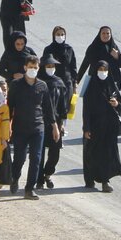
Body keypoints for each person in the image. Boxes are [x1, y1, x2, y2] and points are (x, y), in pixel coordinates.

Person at [7, 57, 59, 199]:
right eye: (31, 67)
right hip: (20, 128)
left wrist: (55, 126)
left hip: (38, 127)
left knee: (36, 158)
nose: (33, 70)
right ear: (25, 67)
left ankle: (29, 189)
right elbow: (10, 106)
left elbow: (48, 108)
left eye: (36, 68)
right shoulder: (16, 84)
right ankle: (15, 177)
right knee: (19, 158)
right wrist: (7, 125)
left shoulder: (42, 85)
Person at [82, 60, 121, 192]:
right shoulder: (91, 87)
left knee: (107, 154)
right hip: (94, 127)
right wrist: (87, 128)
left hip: (109, 127)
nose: (103, 72)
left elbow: (120, 104)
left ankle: (105, 180)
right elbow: (86, 109)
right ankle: (89, 180)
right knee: (91, 153)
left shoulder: (112, 85)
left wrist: (116, 104)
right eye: (100, 69)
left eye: (105, 70)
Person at [40, 55, 72, 189]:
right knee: (38, 152)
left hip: (56, 122)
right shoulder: (38, 82)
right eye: (48, 66)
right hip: (41, 120)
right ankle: (38, 179)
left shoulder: (59, 83)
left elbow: (63, 105)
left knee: (55, 152)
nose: (51, 69)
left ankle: (47, 173)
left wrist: (62, 125)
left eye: (52, 66)